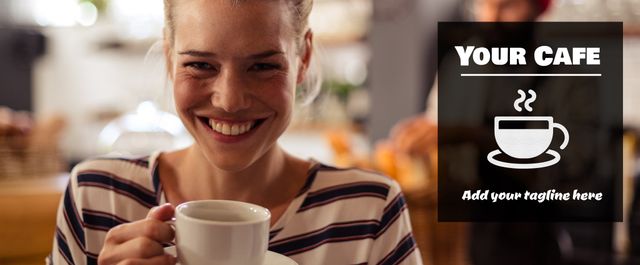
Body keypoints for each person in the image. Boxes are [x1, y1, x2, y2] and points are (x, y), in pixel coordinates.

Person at [48, 1, 423, 264]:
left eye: (262, 66)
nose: (229, 100)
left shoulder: (369, 211)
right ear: (168, 56)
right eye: (199, 64)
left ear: (303, 58)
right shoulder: (97, 198)